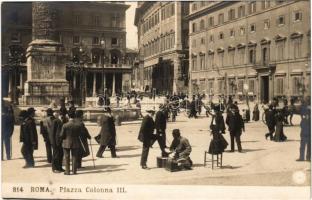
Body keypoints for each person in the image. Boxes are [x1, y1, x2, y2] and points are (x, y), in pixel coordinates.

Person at [60, 110, 83, 175]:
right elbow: (80, 134)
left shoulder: (65, 125)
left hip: (66, 143)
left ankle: (67, 171)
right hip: (75, 142)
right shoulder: (78, 125)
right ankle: (74, 171)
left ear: (68, 116)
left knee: (67, 157)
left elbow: (61, 135)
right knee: (74, 157)